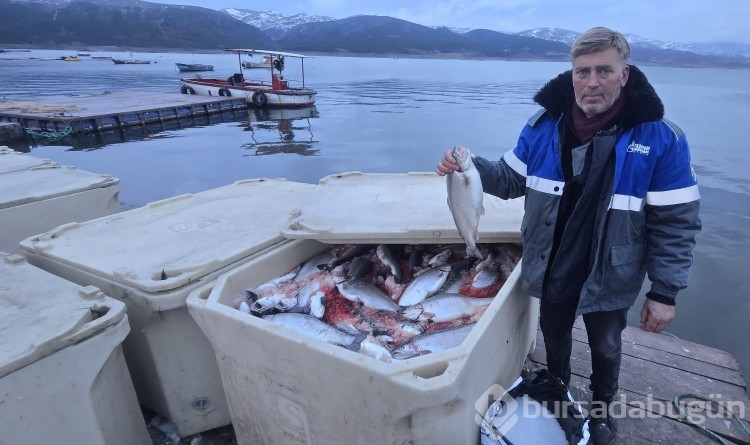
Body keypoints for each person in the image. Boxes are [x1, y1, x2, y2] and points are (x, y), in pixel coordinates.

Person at [436, 27, 701, 445]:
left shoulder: (662, 138)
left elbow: (676, 222)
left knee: (607, 348)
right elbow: (509, 179)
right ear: (572, 73)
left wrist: (664, 292)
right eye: (582, 72)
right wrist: (468, 168)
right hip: (552, 262)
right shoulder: (543, 126)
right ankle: (557, 395)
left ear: (624, 74)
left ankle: (600, 411)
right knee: (554, 339)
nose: (591, 82)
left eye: (603, 71)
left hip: (612, 270)